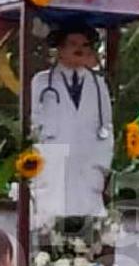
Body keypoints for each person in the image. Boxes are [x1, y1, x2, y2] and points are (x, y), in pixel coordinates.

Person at [30, 23, 114, 226]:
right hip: (53, 168)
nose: (80, 49)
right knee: (50, 229)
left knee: (88, 231)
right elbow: (33, 127)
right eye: (73, 43)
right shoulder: (41, 82)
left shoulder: (98, 84)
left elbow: (106, 128)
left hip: (87, 168)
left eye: (85, 45)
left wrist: (101, 168)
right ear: (59, 48)